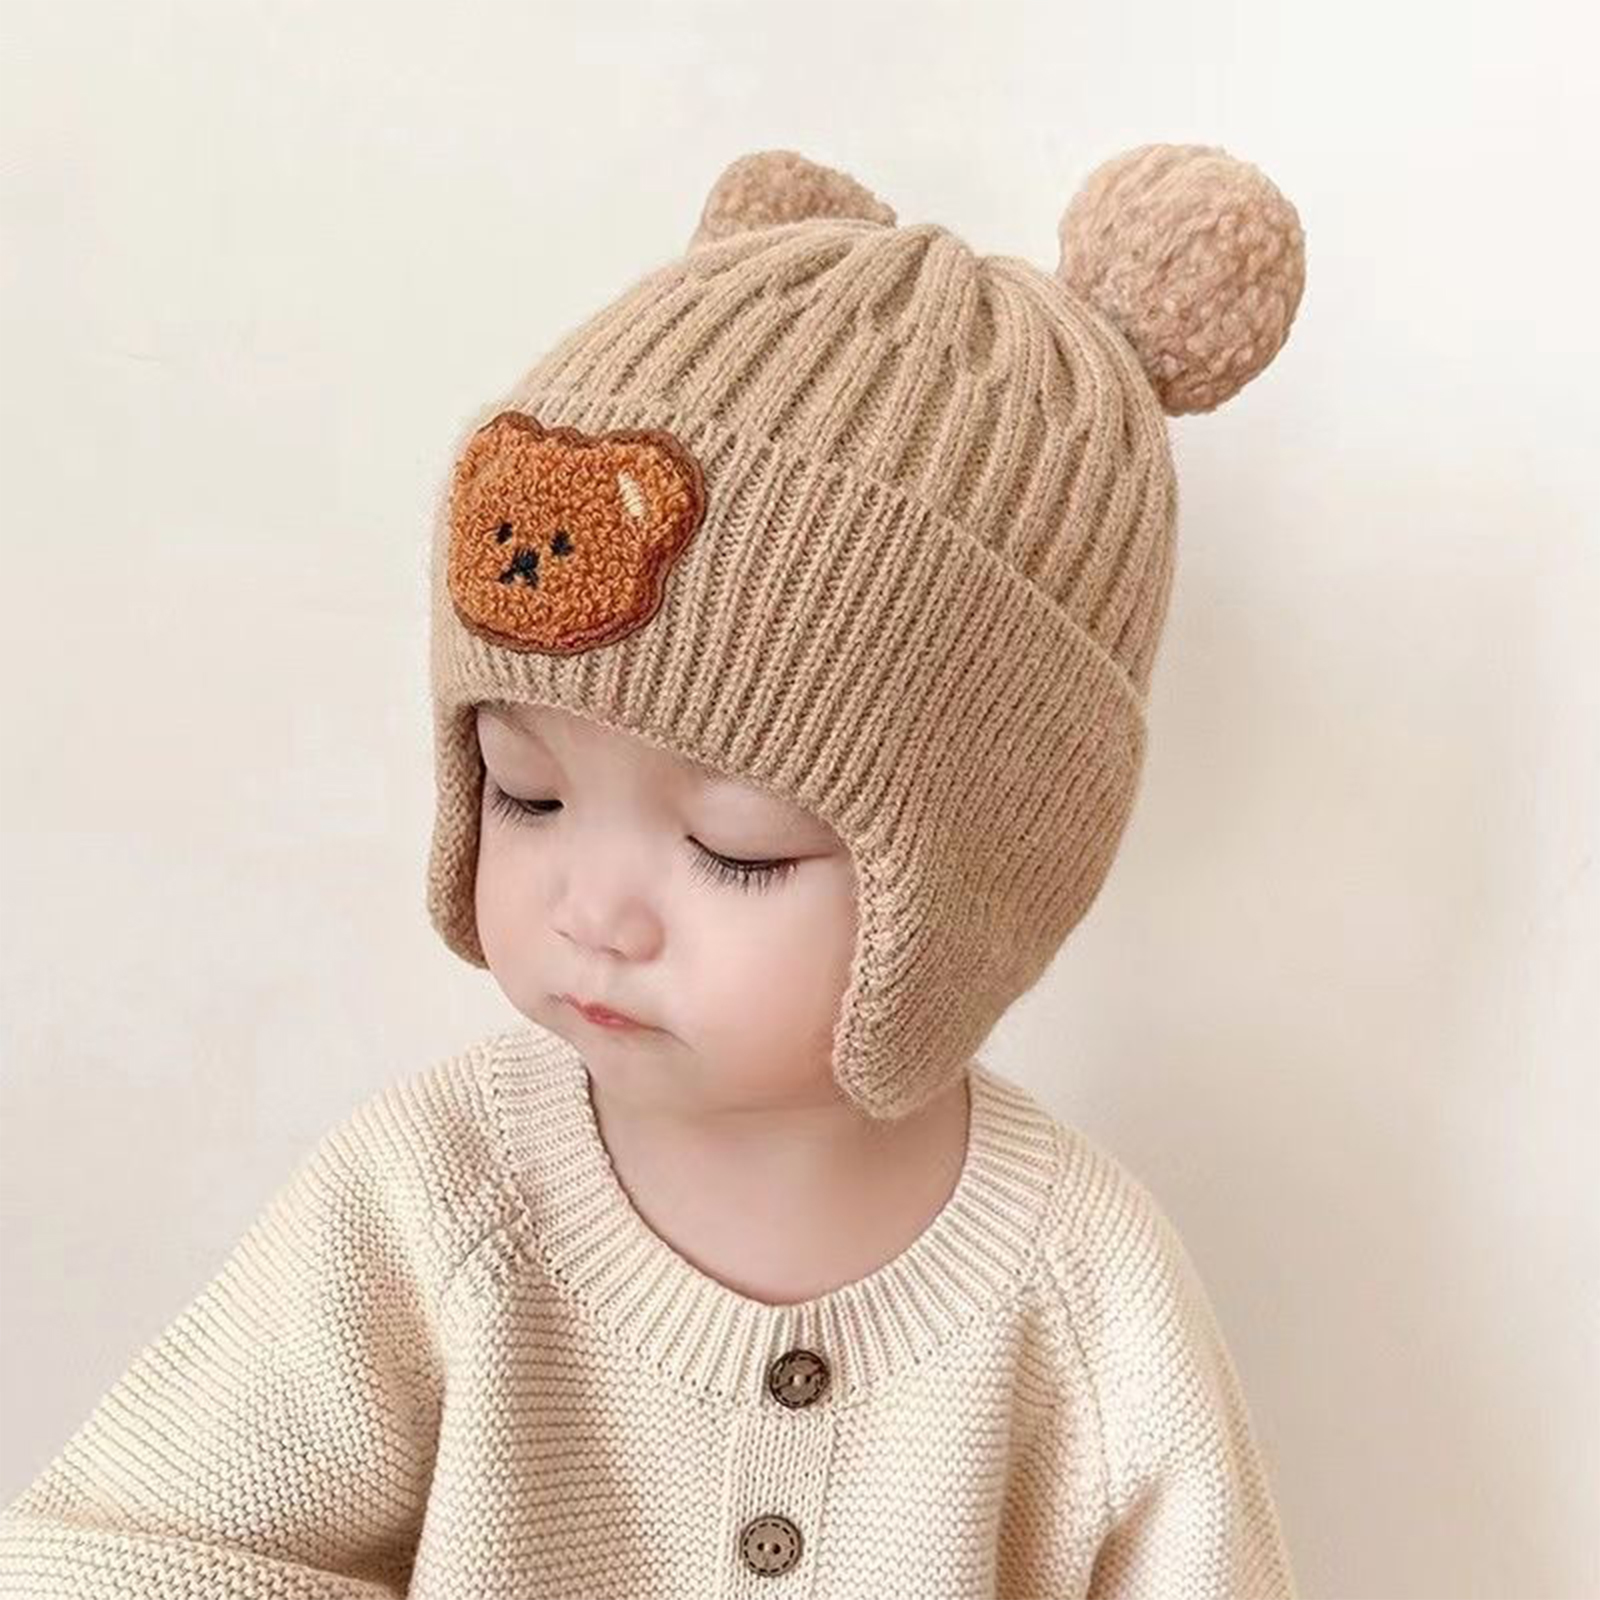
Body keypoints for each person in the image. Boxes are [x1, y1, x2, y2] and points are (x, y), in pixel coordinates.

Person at [0, 141, 1308, 1598]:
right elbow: (101, 1559)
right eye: (528, 793)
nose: (593, 912)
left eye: (735, 851)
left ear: (982, 892)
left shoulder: (1086, 1296)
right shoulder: (438, 1195)